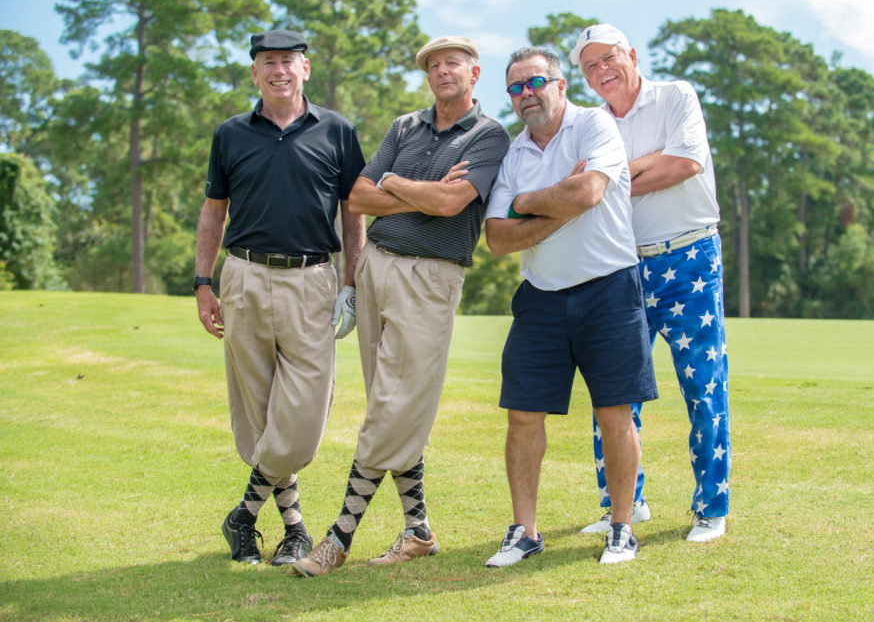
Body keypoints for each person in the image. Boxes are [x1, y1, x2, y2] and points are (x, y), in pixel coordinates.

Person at [289, 36, 510, 577]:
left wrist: (395, 184)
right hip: (376, 267)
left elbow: (451, 202)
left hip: (432, 276)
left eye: (452, 64)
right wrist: (415, 189)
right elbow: (359, 198)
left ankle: (338, 538)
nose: (442, 72)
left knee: (393, 407)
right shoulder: (404, 127)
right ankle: (418, 532)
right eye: (433, 66)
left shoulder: (489, 134)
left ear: (474, 73)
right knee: (391, 403)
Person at [195, 29, 367, 566]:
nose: (278, 71)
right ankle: (293, 528)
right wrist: (203, 283)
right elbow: (213, 211)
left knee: (303, 417)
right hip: (243, 277)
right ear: (255, 73)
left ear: (305, 69)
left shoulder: (337, 131)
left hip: (313, 279)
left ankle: (244, 514)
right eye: (267, 63)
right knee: (260, 413)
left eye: (288, 62)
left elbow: (353, 212)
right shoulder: (230, 134)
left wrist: (351, 282)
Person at [483, 47, 658, 567]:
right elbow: (495, 237)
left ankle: (623, 527)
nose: (526, 94)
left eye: (535, 82)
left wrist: (527, 201)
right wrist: (555, 200)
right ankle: (525, 531)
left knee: (614, 413)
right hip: (540, 297)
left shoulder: (594, 127)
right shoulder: (515, 154)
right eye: (515, 88)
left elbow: (588, 190)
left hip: (609, 289)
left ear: (560, 85)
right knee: (522, 416)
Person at [572, 24, 731, 542]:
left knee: (702, 388)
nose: (603, 71)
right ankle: (624, 502)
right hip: (623, 266)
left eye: (610, 58)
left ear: (632, 56)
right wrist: (634, 169)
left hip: (689, 255)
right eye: (591, 66)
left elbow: (683, 164)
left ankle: (712, 507)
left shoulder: (675, 95)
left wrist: (614, 174)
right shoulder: (593, 123)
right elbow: (583, 189)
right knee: (614, 394)